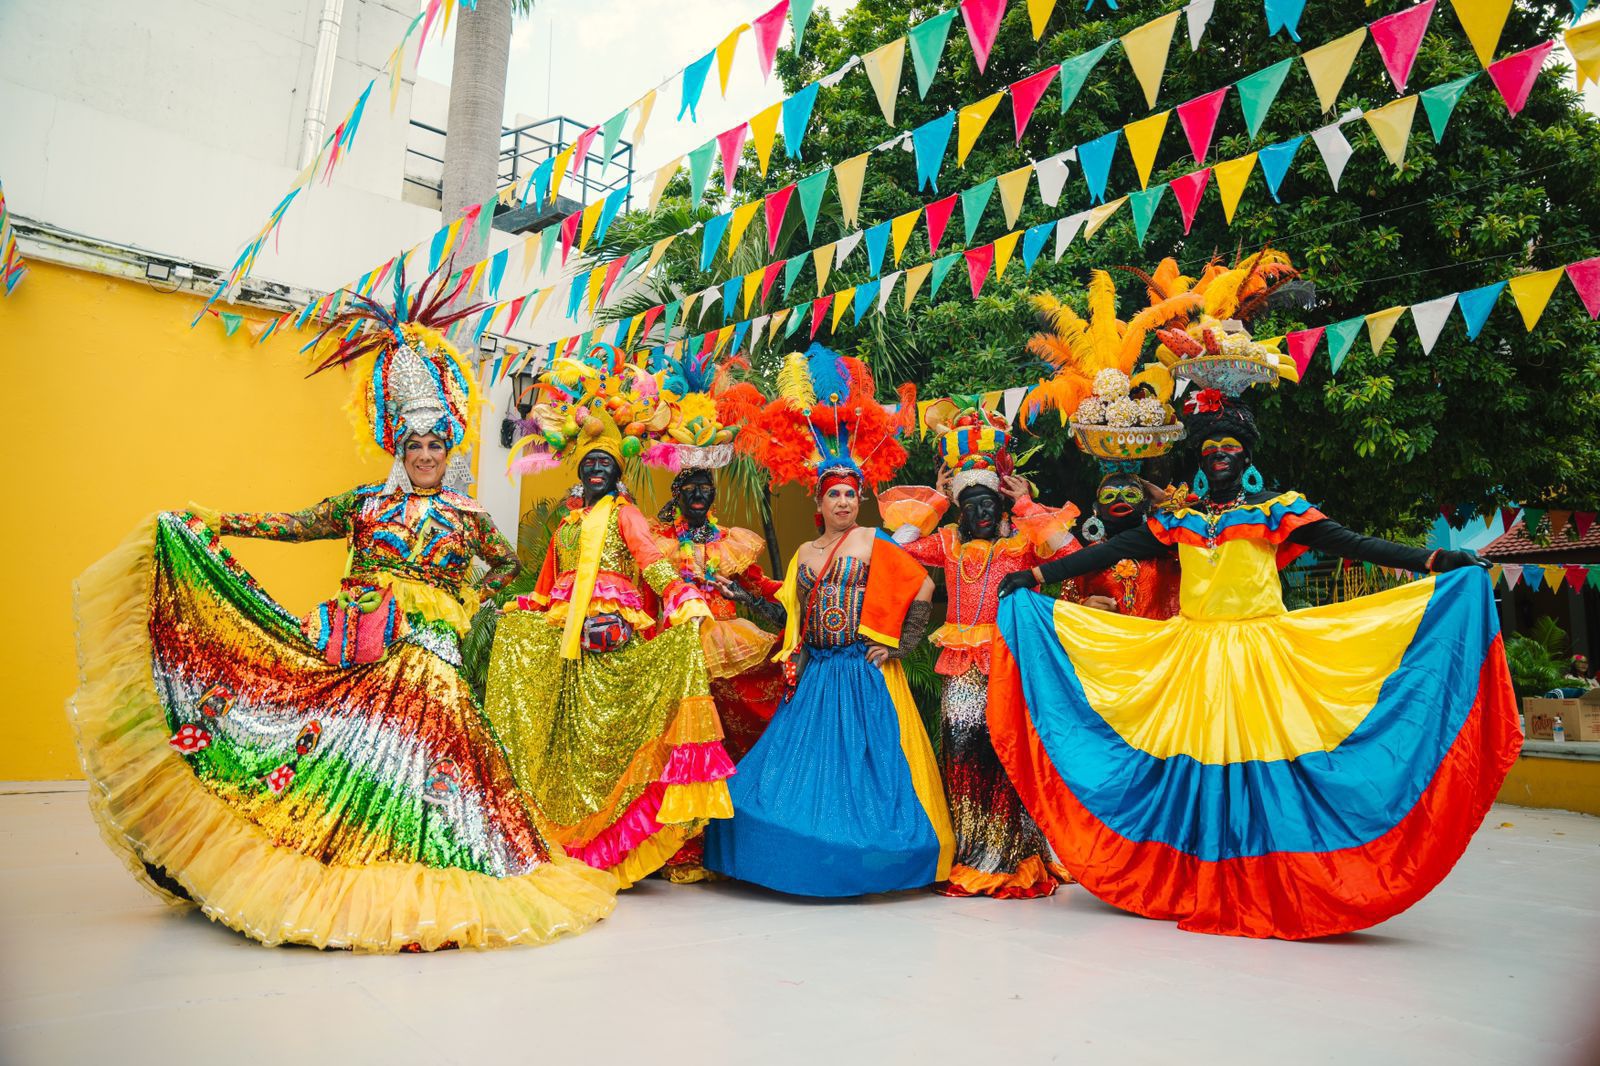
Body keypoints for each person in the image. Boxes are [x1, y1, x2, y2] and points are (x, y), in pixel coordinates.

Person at [65, 264, 617, 951]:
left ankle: (424, 874)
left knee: (436, 726)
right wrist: (220, 524)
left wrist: (473, 602)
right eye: (413, 444)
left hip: (431, 651)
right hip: (361, 640)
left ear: (450, 447)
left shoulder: (471, 515)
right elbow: (294, 524)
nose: (424, 454)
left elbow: (508, 568)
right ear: (398, 444)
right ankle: (314, 856)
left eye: (435, 443)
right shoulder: (366, 504)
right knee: (316, 729)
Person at [994, 320, 1522, 940]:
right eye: (1210, 448)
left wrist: (1434, 560)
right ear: (1198, 457)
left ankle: (1274, 874)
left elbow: (1351, 542)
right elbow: (1107, 552)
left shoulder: (1277, 509)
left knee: (1267, 764)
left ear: (1247, 455)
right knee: (1190, 766)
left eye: (1230, 448)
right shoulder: (1178, 519)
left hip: (1260, 655)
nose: (1219, 456)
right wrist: (1039, 577)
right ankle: (1195, 874)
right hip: (1192, 656)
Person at [703, 344, 955, 896]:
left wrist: (901, 646)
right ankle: (788, 853)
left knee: (867, 777)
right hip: (815, 674)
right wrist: (740, 596)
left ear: (861, 499)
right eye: (834, 493)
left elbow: (924, 587)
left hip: (863, 676)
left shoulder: (871, 540)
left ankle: (872, 855)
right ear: (820, 501)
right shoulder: (805, 553)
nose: (843, 501)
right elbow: (784, 614)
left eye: (850, 493)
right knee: (788, 782)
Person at [485, 354, 733, 887]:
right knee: (570, 742)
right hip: (563, 637)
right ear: (579, 470)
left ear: (618, 471)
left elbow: (652, 560)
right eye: (590, 464)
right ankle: (564, 836)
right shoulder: (569, 524)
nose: (597, 470)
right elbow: (548, 585)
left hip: (611, 634)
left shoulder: (626, 514)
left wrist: (681, 595)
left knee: (608, 739)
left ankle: (614, 846)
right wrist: (517, 610)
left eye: (607, 465)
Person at [883, 403, 1080, 899]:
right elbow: (897, 550)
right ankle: (974, 852)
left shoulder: (1022, 543)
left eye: (989, 501)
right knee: (964, 749)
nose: (981, 511)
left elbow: (1070, 556)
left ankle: (1015, 851)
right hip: (961, 664)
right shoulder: (947, 541)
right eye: (970, 502)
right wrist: (936, 503)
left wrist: (1027, 505)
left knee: (1009, 749)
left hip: (1011, 662)